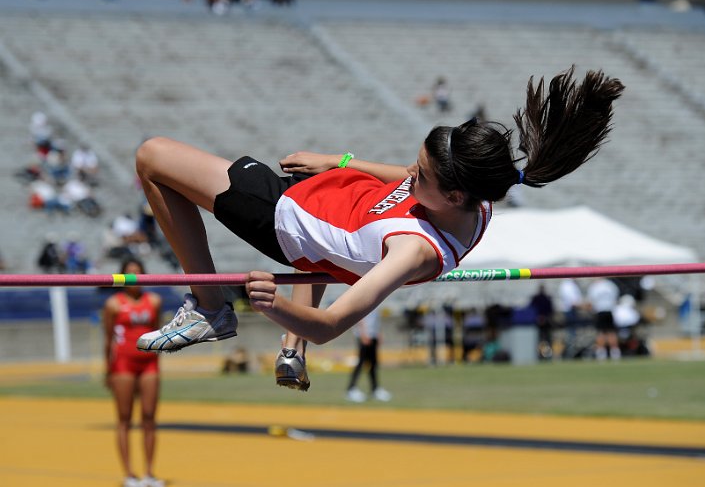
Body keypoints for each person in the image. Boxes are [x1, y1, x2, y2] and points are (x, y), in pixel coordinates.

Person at [134, 67, 624, 391]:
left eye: (421, 175)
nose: (409, 175)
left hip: (282, 213)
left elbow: (328, 328)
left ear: (452, 195)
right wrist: (337, 161)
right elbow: (397, 178)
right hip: (327, 206)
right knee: (331, 256)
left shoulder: (411, 251)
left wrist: (270, 303)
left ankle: (210, 308)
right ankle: (289, 350)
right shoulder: (477, 201)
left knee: (153, 156)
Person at [103, 258, 165, 487]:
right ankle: (129, 474)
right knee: (124, 419)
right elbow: (108, 339)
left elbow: (158, 333)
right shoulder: (113, 304)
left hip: (149, 364)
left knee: (149, 418)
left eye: (138, 272)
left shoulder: (154, 301)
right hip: (123, 365)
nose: (134, 277)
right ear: (122, 277)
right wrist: (107, 369)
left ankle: (149, 473)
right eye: (129, 273)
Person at [346, 309, 392, 403]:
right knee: (361, 363)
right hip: (365, 335)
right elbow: (359, 317)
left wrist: (378, 333)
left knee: (373, 363)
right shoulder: (363, 300)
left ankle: (375, 388)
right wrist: (363, 333)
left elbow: (375, 318)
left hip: (373, 335)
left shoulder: (375, 301)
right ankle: (351, 389)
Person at [587, 277, 621, 360]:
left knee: (601, 333)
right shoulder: (610, 285)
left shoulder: (594, 286)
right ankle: (614, 352)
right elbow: (616, 297)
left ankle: (601, 353)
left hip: (600, 311)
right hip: (609, 310)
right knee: (611, 332)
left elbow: (591, 301)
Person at [529, 284, 555, 359]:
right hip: (538, 321)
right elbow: (532, 309)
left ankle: (548, 354)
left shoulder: (547, 298)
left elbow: (550, 310)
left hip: (546, 321)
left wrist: (545, 318)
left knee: (547, 338)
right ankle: (540, 355)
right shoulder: (536, 298)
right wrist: (538, 317)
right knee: (539, 339)